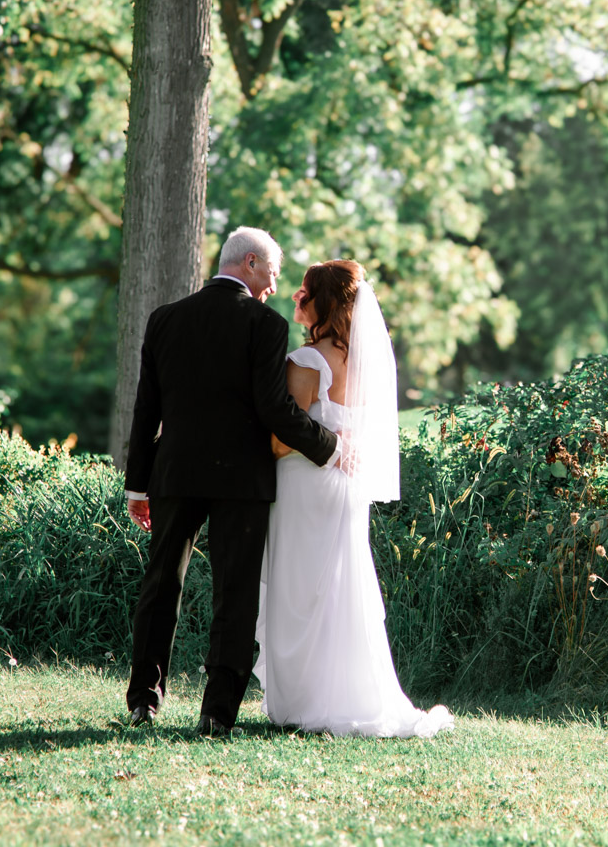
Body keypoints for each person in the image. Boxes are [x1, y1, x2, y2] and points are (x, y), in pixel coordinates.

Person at [122, 226, 342, 737]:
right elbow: (274, 408)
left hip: (173, 473)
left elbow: (145, 409)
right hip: (241, 479)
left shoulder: (164, 319)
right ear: (249, 263)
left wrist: (138, 486)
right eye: (271, 272)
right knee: (235, 593)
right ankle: (218, 712)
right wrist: (329, 446)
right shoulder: (265, 325)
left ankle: (143, 701)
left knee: (161, 585)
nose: (273, 285)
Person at [252, 259, 454, 738]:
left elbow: (283, 441)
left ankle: (302, 701)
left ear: (325, 301)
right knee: (340, 588)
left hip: (305, 486)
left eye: (305, 292)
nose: (296, 298)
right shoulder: (362, 361)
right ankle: (342, 695)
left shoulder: (308, 361)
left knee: (298, 590)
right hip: (345, 489)